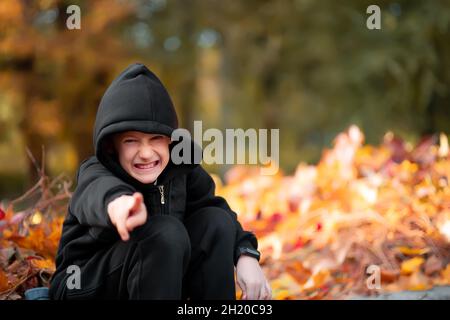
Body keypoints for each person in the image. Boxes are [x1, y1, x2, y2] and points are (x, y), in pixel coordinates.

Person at [49, 63, 271, 300]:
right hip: (84, 286)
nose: (146, 153)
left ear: (170, 142)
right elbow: (96, 193)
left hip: (155, 283)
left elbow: (217, 211)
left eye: (156, 139)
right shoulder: (96, 172)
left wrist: (246, 255)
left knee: (214, 222)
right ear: (111, 145)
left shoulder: (181, 171)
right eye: (131, 141)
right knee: (164, 232)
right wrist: (117, 205)